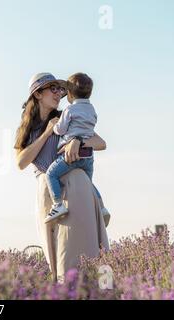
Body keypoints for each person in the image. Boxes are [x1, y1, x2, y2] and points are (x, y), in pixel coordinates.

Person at [14, 72, 110, 282]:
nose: (59, 93)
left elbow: (101, 143)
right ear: (38, 94)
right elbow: (21, 162)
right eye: (53, 88)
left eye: (60, 89)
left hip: (77, 187)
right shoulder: (29, 128)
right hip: (48, 191)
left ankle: (95, 293)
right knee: (55, 258)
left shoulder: (68, 117)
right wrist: (47, 133)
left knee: (80, 253)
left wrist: (78, 141)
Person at [44, 73, 110, 226]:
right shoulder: (92, 110)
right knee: (88, 183)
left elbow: (60, 130)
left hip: (70, 155)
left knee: (51, 174)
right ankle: (102, 208)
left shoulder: (69, 110)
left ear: (71, 94)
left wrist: (53, 127)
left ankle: (58, 204)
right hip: (88, 156)